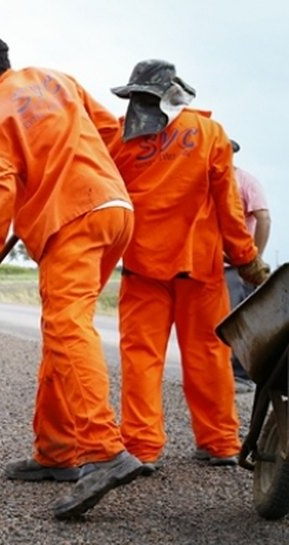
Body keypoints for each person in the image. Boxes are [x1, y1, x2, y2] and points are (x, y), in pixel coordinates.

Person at [0, 28, 142, 520]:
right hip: (114, 210)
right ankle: (56, 451)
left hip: (73, 220)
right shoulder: (55, 79)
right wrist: (76, 169)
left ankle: (104, 452)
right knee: (60, 330)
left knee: (67, 327)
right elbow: (113, 132)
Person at [108, 60, 270, 472]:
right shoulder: (210, 134)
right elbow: (228, 208)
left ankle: (142, 449)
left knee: (141, 358)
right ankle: (219, 443)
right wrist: (247, 259)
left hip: (142, 268)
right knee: (209, 355)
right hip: (199, 267)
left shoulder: (118, 140)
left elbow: (106, 201)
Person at [224, 139, 271, 393]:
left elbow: (263, 217)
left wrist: (255, 258)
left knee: (238, 318)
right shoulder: (209, 179)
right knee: (216, 321)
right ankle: (219, 373)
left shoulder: (246, 182)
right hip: (212, 262)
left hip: (238, 264)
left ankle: (241, 375)